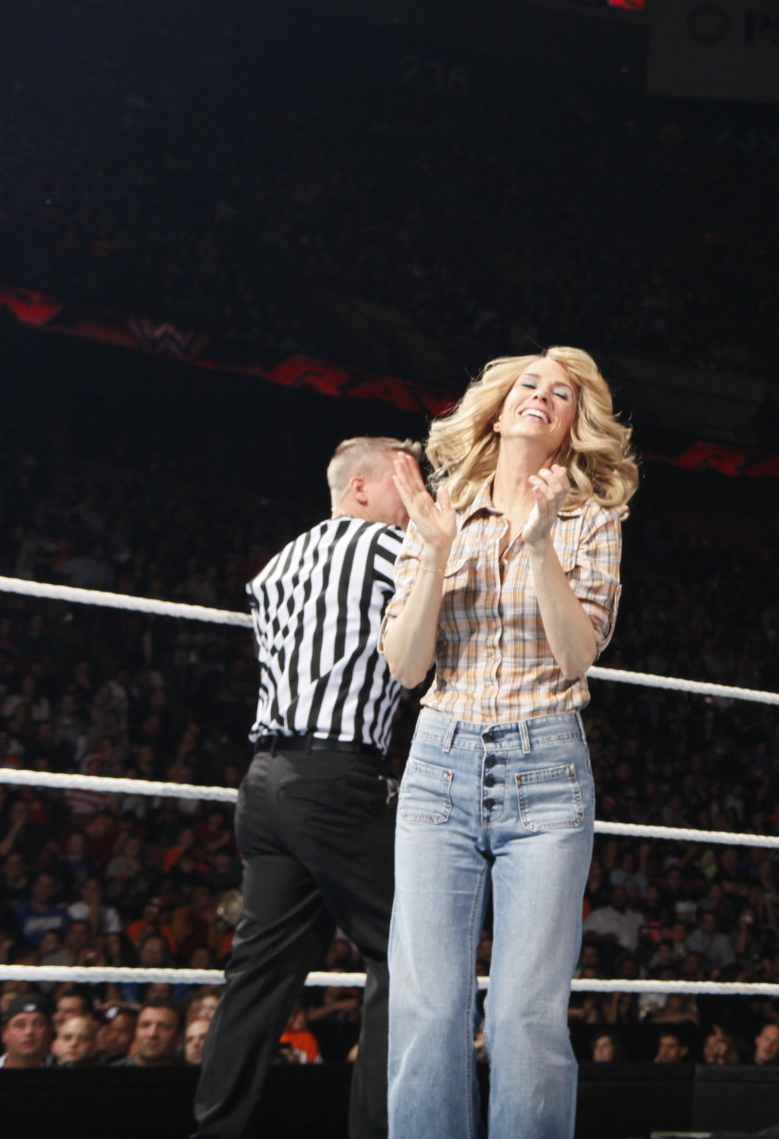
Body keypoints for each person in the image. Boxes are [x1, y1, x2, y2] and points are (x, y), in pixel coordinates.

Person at [381, 347, 637, 1139]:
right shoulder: (441, 506)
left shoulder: (590, 518)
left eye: (560, 394)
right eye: (529, 383)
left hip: (546, 769)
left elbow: (576, 654)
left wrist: (537, 542)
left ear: (571, 425)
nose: (541, 396)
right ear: (497, 404)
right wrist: (432, 551)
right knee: (427, 1004)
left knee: (526, 1010)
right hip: (439, 763)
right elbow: (406, 664)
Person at [193, 437, 421, 1139]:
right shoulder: (387, 550)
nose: (419, 503)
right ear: (359, 489)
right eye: (405, 484)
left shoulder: (276, 565)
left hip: (264, 784)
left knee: (259, 973)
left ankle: (216, 1130)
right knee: (407, 952)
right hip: (333, 779)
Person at [2, 991, 55, 1067]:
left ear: (49, 1031)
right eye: (20, 1025)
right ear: (4, 1032)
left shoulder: (65, 1072)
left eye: (38, 1024)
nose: (29, 1031)